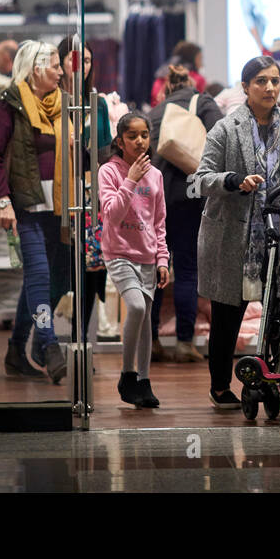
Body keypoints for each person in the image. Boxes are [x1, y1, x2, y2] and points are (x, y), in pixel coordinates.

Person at [194, 55, 280, 409]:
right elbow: (201, 178)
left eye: (275, 80)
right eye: (261, 82)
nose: (269, 88)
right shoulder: (225, 128)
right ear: (245, 87)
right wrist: (234, 181)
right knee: (227, 319)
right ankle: (221, 387)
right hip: (232, 239)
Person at [0, 40, 71, 384]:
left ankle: (16, 350)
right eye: (54, 66)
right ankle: (48, 344)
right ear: (35, 69)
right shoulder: (11, 104)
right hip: (26, 208)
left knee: (39, 280)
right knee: (40, 276)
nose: (61, 71)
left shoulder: (63, 106)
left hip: (58, 208)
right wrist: (3, 202)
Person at [148, 64, 223, 362]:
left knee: (158, 268)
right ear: (192, 83)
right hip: (192, 193)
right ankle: (183, 342)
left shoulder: (156, 111)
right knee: (188, 268)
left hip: (158, 197)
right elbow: (221, 137)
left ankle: (151, 341)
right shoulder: (203, 102)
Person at [99, 112, 170, 408]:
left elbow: (159, 221)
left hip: (148, 255)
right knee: (137, 307)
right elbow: (112, 215)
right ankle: (127, 374)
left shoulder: (156, 175)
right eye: (132, 136)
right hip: (119, 253)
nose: (139, 141)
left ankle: (144, 380)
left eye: (144, 135)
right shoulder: (109, 172)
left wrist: (163, 257)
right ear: (120, 141)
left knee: (145, 322)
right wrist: (130, 180)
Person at [53, 36, 113, 348]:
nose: (81, 66)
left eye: (87, 61)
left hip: (91, 194)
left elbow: (104, 153)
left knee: (90, 268)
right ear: (61, 62)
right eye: (75, 60)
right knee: (61, 265)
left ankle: (81, 339)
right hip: (59, 192)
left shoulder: (97, 103)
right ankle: (47, 339)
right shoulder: (52, 100)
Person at [150, 41, 206, 108]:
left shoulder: (160, 77)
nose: (202, 65)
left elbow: (154, 103)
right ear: (193, 59)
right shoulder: (197, 79)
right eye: (200, 59)